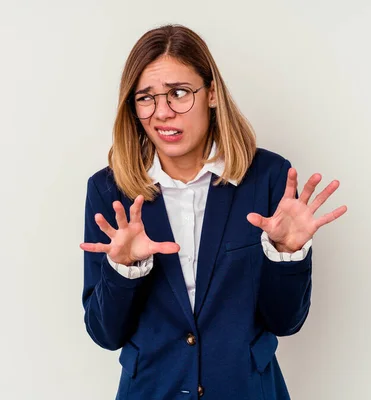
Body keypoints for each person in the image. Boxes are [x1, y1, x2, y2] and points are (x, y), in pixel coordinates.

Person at [80, 24, 347, 400]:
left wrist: (287, 255)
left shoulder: (267, 178)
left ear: (212, 94)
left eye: (178, 93)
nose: (163, 113)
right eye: (146, 98)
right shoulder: (110, 191)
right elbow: (106, 334)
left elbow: (284, 323)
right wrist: (124, 271)